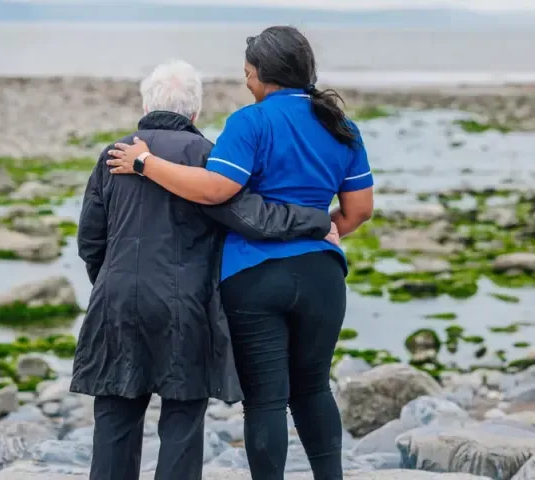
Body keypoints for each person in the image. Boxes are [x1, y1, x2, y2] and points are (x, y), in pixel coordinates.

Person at [105, 27, 376, 480]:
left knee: (267, 398)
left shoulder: (251, 122)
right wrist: (330, 229)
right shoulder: (341, 126)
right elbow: (361, 209)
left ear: (264, 76)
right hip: (322, 276)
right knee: (313, 388)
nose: (247, 82)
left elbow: (216, 190)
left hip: (255, 275)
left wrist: (145, 163)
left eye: (248, 74)